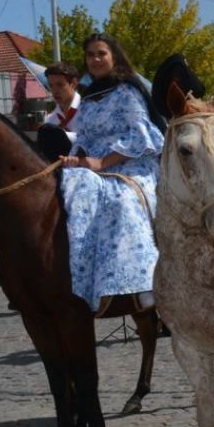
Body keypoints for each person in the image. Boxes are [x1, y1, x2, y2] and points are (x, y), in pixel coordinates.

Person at [59, 33, 165, 313]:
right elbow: (83, 136)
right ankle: (79, 277)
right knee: (64, 191)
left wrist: (103, 163)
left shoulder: (128, 90)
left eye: (100, 53)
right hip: (94, 165)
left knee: (121, 201)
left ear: (113, 56)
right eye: (90, 54)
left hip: (132, 163)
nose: (94, 59)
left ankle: (145, 283)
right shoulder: (89, 97)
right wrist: (76, 157)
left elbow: (141, 136)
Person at [37, 62, 81, 161]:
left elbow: (94, 140)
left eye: (60, 85)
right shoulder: (50, 120)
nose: (54, 91)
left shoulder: (89, 110)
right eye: (51, 86)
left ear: (73, 83)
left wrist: (64, 136)